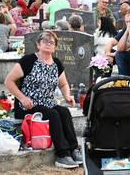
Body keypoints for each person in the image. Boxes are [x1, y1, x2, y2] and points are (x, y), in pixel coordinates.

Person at [5, 31, 82, 169]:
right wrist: (22, 98)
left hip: (47, 103)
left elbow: (63, 84)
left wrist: (67, 96)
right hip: (28, 105)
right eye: (45, 41)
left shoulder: (56, 63)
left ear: (55, 47)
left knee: (63, 111)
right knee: (53, 114)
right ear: (38, 44)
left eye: (52, 42)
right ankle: (62, 155)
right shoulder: (28, 60)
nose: (48, 44)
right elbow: (9, 81)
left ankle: (74, 149)